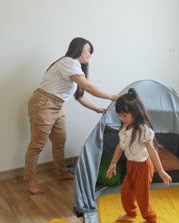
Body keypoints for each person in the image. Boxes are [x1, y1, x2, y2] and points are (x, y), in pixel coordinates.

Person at [24, 37, 119, 195]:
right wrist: (111, 96)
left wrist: (97, 109)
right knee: (37, 145)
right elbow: (88, 87)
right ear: (78, 47)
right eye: (88, 49)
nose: (90, 54)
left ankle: (61, 173)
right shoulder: (68, 62)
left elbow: (80, 97)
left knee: (60, 141)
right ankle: (30, 181)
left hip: (57, 105)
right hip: (43, 103)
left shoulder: (75, 70)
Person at [105, 88, 172, 223]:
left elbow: (152, 150)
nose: (122, 119)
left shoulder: (143, 130)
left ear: (135, 113)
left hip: (143, 166)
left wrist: (161, 171)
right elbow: (120, 147)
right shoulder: (124, 128)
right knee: (125, 191)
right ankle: (131, 213)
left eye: (125, 116)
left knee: (142, 196)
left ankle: (151, 219)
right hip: (131, 165)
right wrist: (113, 163)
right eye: (120, 116)